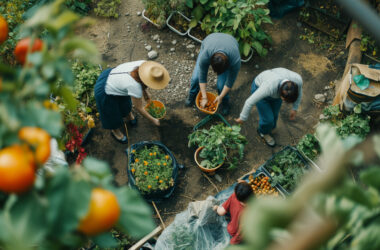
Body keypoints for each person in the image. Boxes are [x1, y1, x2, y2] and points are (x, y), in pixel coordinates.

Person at [94, 60, 170, 144]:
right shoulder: (134, 86)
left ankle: (128, 115)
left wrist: (145, 93)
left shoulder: (145, 65)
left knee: (125, 102)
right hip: (105, 90)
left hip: (118, 80)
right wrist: (154, 120)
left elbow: (142, 80)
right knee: (111, 114)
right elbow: (139, 107)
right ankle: (115, 131)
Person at [235, 68, 303, 147]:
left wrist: (295, 108)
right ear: (282, 97)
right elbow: (249, 102)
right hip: (259, 87)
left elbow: (299, 91)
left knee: (275, 114)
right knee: (268, 119)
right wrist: (242, 118)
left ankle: (270, 127)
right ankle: (263, 132)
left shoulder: (297, 80)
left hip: (274, 89)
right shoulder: (268, 87)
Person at [185, 33, 241, 115]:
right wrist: (204, 97)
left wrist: (221, 96)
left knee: (221, 85)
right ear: (210, 61)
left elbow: (230, 82)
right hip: (210, 41)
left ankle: (225, 102)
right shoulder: (206, 54)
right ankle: (192, 95)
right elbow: (202, 76)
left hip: (231, 42)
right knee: (195, 78)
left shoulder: (235, 61)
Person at [213, 181, 253, 245]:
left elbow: (221, 212)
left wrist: (217, 208)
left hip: (231, 227)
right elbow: (241, 234)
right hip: (235, 232)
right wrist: (233, 242)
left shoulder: (234, 196)